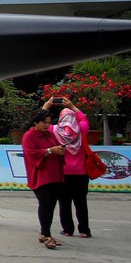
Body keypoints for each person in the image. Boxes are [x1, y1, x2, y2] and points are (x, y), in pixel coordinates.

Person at [21, 108, 65, 250]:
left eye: (48, 122)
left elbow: (56, 148)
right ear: (36, 122)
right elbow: (32, 154)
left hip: (53, 173)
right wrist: (50, 150)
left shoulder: (50, 135)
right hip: (40, 174)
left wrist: (59, 150)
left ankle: (44, 232)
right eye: (44, 123)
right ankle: (46, 234)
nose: (47, 125)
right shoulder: (29, 136)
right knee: (45, 203)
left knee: (51, 204)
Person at [47, 98, 92, 238]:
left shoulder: (53, 130)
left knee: (64, 203)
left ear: (60, 119)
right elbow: (84, 120)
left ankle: (67, 229)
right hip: (81, 173)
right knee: (81, 203)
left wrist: (46, 106)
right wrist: (73, 107)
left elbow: (41, 122)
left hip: (63, 173)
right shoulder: (81, 130)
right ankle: (84, 230)